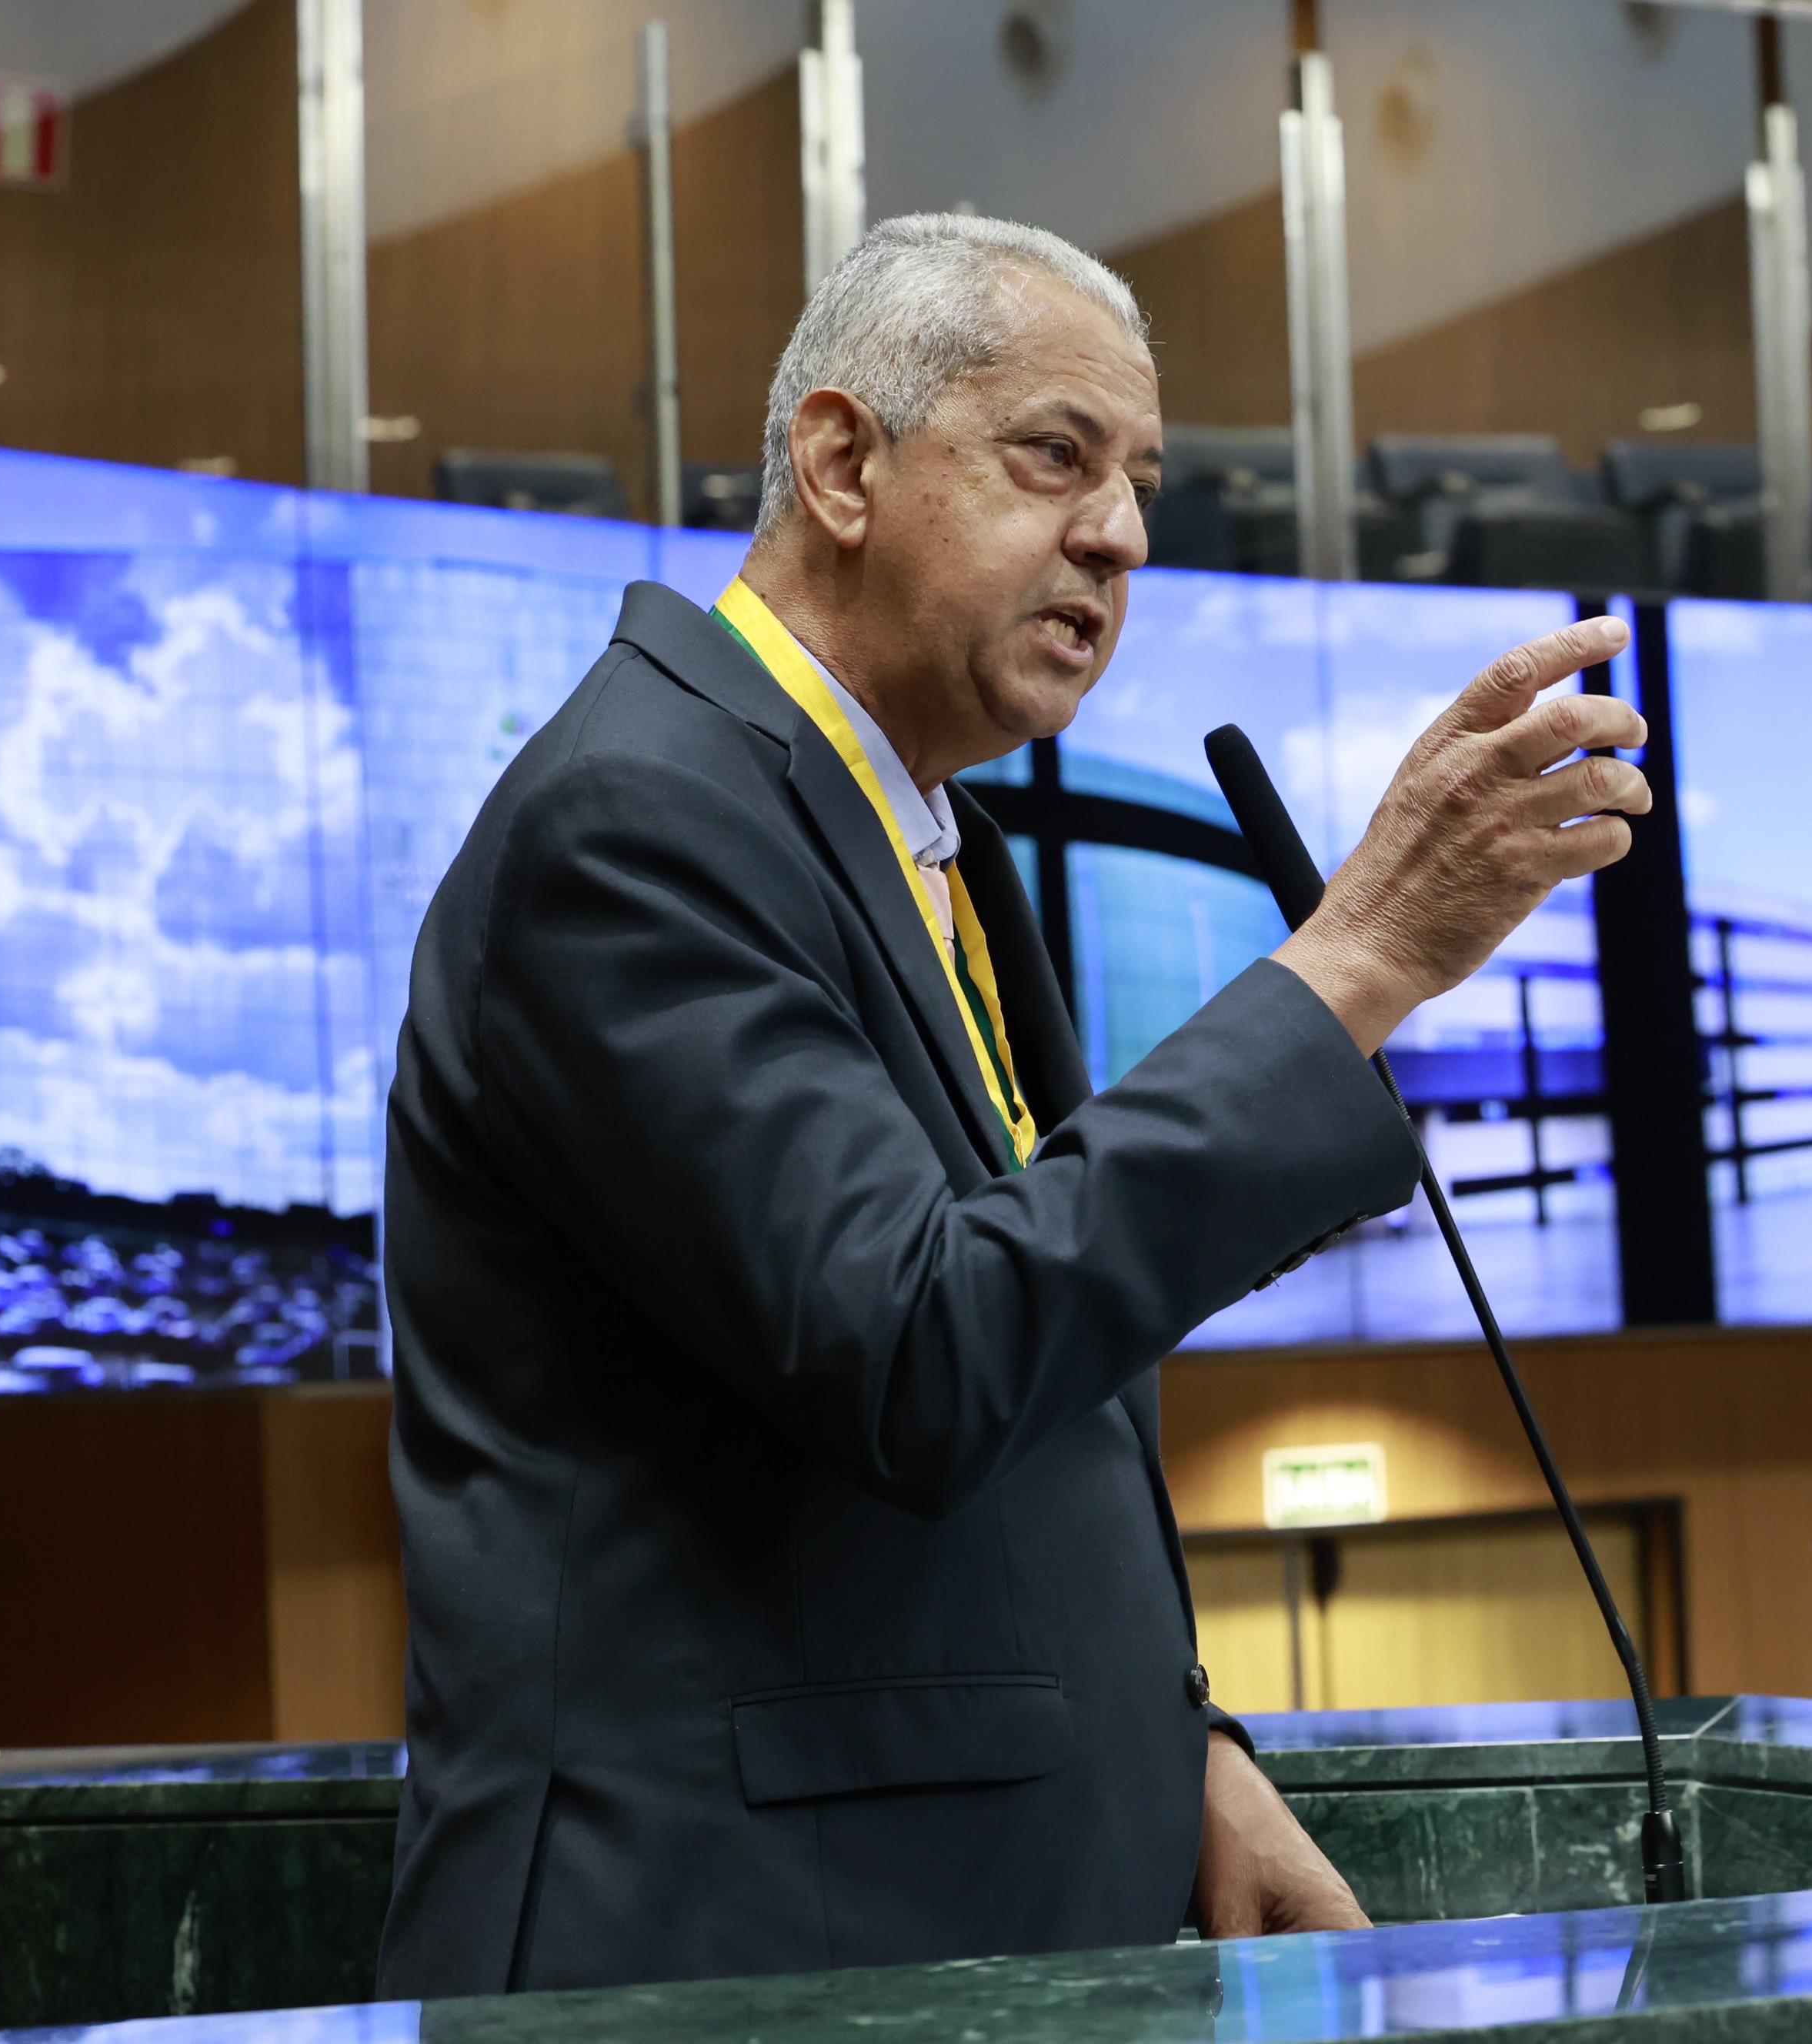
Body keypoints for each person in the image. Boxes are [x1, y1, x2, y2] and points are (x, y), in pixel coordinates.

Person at [374, 215, 1649, 1997]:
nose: (1121, 533)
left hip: (922, 1933)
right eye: (1057, 454)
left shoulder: (929, 843)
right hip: (719, 1962)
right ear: (842, 463)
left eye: (1140, 483)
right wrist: (1358, 959)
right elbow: (923, 1348)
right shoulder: (636, 820)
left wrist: (1178, 1744)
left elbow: (1036, 1386)